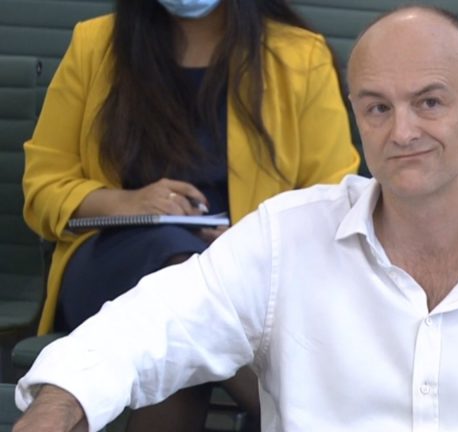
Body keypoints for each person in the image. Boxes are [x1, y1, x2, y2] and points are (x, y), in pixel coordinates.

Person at [14, 5, 458, 432]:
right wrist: (58, 405)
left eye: (429, 102)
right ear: (357, 113)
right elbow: (147, 328)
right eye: (378, 107)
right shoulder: (284, 238)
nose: (402, 131)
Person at [21, 0, 358, 429]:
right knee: (183, 280)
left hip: (246, 271)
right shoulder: (95, 45)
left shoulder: (299, 56)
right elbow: (43, 186)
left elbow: (331, 199)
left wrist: (251, 240)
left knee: (177, 345)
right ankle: (312, 417)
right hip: (113, 262)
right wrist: (125, 203)